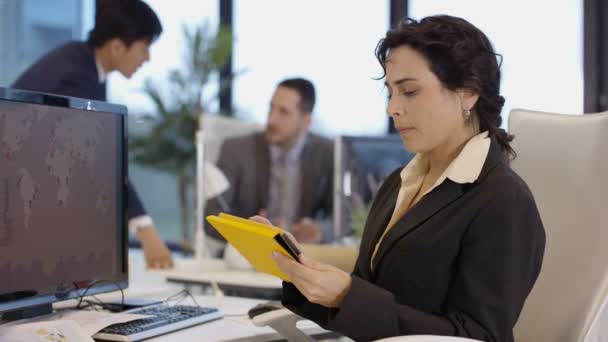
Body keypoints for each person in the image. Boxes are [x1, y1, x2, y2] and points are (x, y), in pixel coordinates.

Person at [253, 15, 546, 342]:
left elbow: (478, 336)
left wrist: (346, 296)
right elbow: (369, 304)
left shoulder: (503, 201)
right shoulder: (399, 183)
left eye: (409, 91)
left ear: (468, 92)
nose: (392, 108)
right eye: (390, 92)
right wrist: (296, 267)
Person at [11, 0, 174, 269]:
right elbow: (101, 158)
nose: (147, 58)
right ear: (117, 46)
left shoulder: (87, 66)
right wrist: (146, 229)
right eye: (145, 48)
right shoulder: (77, 75)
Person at [205, 78, 333, 251]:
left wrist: (320, 231)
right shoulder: (235, 150)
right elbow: (211, 217)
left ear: (306, 122)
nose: (271, 119)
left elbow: (349, 217)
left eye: (284, 112)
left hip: (301, 258)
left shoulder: (328, 153)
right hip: (245, 257)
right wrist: (251, 229)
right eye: (271, 107)